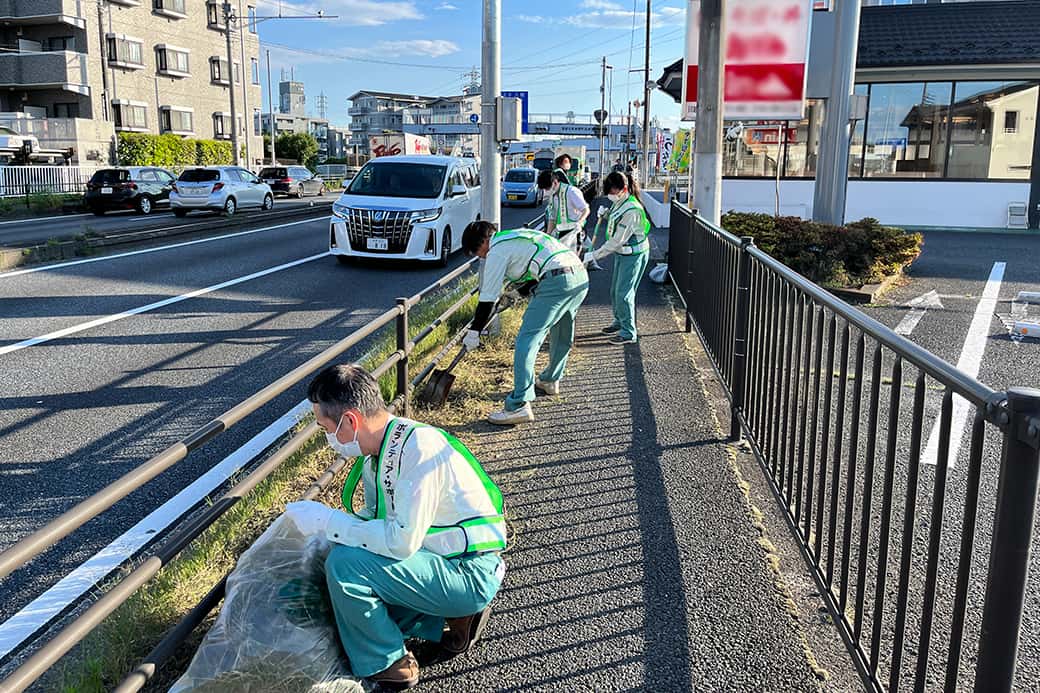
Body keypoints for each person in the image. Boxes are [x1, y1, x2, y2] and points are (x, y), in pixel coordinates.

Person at [284, 364, 507, 689]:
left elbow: (400, 541)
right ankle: (453, 617)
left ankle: (389, 663)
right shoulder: (391, 442)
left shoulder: (418, 450)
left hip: (469, 571)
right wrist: (328, 531)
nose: (328, 438)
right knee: (343, 583)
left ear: (350, 421)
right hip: (448, 559)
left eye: (325, 428)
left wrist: (331, 522)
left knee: (346, 569)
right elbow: (379, 521)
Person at [461, 220, 589, 425]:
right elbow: (536, 268)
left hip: (556, 281)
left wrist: (474, 331)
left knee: (526, 340)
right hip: (579, 275)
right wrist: (516, 293)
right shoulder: (519, 234)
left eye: (477, 252)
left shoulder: (496, 250)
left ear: (484, 240)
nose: (481, 256)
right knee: (562, 332)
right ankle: (550, 380)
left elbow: (487, 298)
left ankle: (519, 405)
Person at [584, 170, 651, 345]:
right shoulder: (620, 201)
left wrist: (594, 255)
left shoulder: (633, 209)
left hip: (633, 255)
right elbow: (615, 220)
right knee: (615, 290)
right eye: (609, 192)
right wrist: (605, 214)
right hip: (623, 254)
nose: (610, 195)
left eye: (613, 191)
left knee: (624, 293)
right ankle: (619, 321)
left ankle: (628, 332)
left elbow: (616, 242)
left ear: (624, 188)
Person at [537, 168, 589, 253]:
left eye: (547, 188)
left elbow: (585, 209)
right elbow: (552, 218)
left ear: (555, 182)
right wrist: (547, 235)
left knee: (572, 259)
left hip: (575, 231)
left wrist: (579, 222)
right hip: (561, 232)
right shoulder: (552, 196)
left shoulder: (571, 192)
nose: (546, 191)